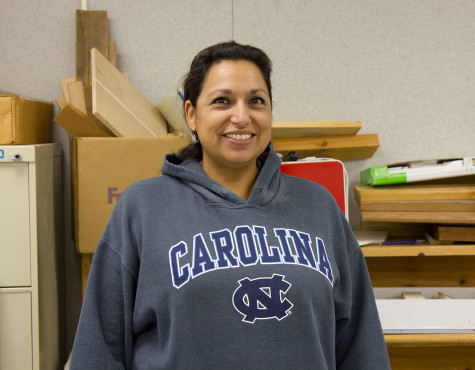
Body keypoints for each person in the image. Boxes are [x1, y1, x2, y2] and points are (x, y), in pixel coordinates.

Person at [70, 41, 390, 369]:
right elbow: (99, 351)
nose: (241, 117)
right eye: (222, 101)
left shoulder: (319, 206)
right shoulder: (141, 208)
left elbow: (361, 347)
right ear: (192, 115)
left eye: (256, 101)